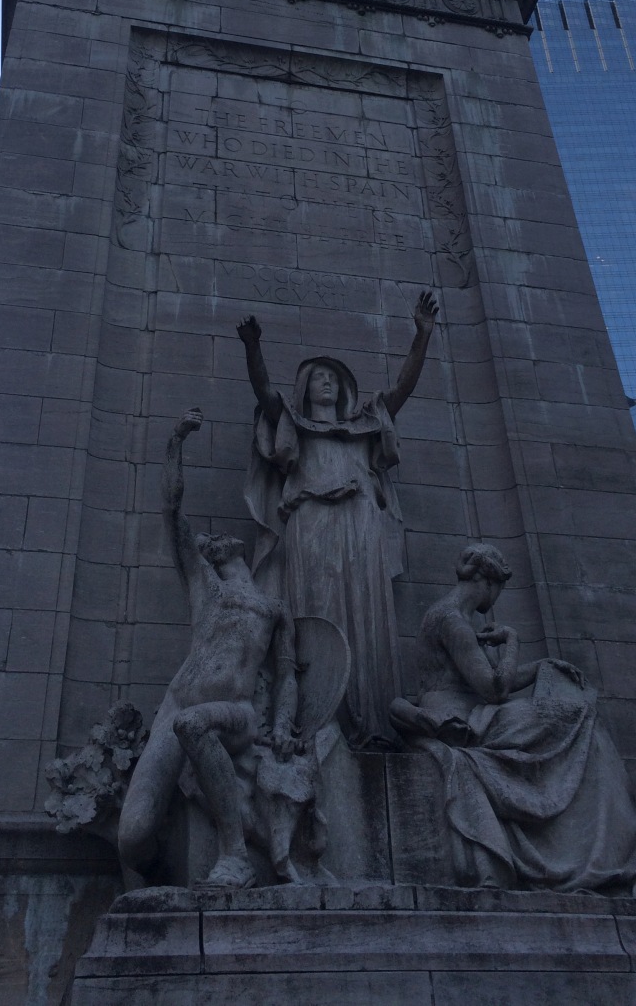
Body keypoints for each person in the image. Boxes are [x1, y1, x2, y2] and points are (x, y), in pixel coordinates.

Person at [390, 543, 636, 894]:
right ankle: (603, 848)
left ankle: (604, 842)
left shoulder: (452, 617)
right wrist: (513, 640)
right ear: (489, 581)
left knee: (576, 717)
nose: (497, 597)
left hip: (474, 712)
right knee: (577, 716)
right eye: (500, 588)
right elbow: (494, 688)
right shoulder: (452, 620)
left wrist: (543, 667)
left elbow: (488, 680)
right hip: (464, 720)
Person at [238, 291, 438, 749]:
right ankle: (316, 719)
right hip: (309, 522)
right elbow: (264, 392)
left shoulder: (365, 425)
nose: (326, 383)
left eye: (332, 378)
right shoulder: (294, 423)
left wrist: (422, 337)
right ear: (305, 388)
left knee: (367, 615)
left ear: (343, 387)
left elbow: (402, 390)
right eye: (318, 378)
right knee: (315, 610)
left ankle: (374, 719)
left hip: (361, 522)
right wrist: (253, 347)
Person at [117, 409, 298, 889]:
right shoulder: (205, 585)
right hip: (177, 703)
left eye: (217, 538)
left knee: (194, 725)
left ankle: (234, 855)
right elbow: (172, 511)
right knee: (132, 838)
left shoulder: (275, 609)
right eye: (208, 539)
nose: (213, 538)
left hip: (237, 712)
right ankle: (163, 873)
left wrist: (282, 725)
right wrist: (175, 443)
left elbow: (287, 675)